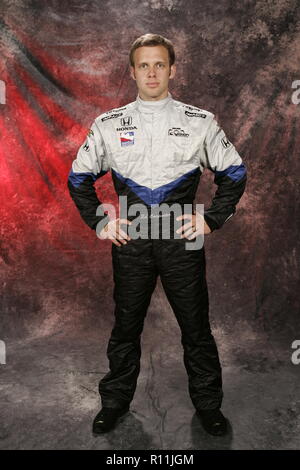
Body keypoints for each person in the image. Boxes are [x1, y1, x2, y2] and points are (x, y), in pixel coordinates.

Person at [67, 33, 247, 437]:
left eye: (159, 64)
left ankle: (208, 406)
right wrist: (101, 222)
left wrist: (211, 219)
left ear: (172, 69)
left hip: (184, 235)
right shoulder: (108, 124)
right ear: (132, 71)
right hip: (131, 238)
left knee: (196, 327)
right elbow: (78, 177)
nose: (151, 72)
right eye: (143, 65)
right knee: (126, 326)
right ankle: (114, 402)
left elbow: (234, 173)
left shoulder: (199, 121)